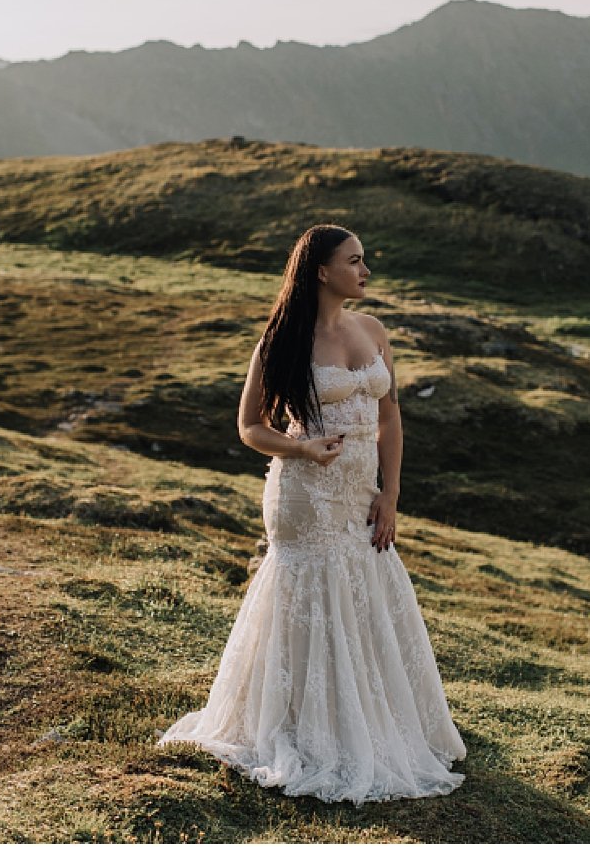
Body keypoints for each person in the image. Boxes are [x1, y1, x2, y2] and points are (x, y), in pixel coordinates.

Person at [156, 224, 467, 804]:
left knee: (366, 583)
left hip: (359, 490)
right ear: (322, 271)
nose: (365, 271)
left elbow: (390, 417)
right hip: (303, 493)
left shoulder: (373, 330)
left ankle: (372, 721)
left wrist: (391, 493)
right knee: (312, 588)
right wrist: (299, 448)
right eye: (354, 261)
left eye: (364, 261)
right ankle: (303, 722)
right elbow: (250, 426)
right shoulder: (284, 340)